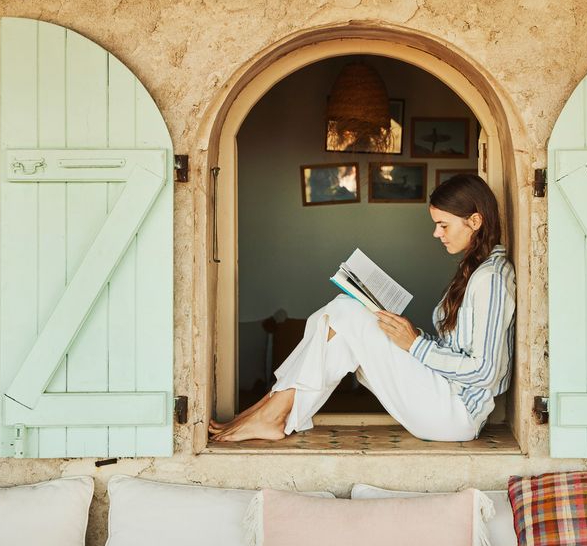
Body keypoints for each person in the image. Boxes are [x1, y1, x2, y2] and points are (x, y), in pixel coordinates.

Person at [209, 174, 516, 442]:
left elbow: (487, 371)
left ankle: (271, 411)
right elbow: (457, 349)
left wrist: (415, 345)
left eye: (443, 225)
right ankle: (270, 409)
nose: (437, 233)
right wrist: (408, 335)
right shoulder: (476, 272)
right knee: (342, 320)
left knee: (347, 311)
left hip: (456, 414)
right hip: (444, 397)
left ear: (474, 221)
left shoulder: (491, 279)